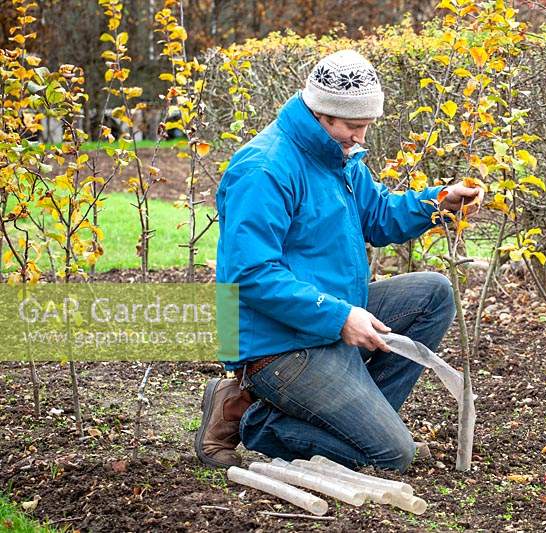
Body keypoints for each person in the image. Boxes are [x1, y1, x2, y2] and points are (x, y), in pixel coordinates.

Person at [195, 50, 484, 472]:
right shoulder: (263, 169)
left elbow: (380, 216)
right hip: (277, 345)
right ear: (321, 114)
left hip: (325, 322)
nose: (361, 137)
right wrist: (338, 316)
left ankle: (360, 431)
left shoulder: (337, 158)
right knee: (393, 455)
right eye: (354, 126)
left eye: (366, 126)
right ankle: (255, 420)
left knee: (432, 294)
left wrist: (440, 202)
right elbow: (249, 275)